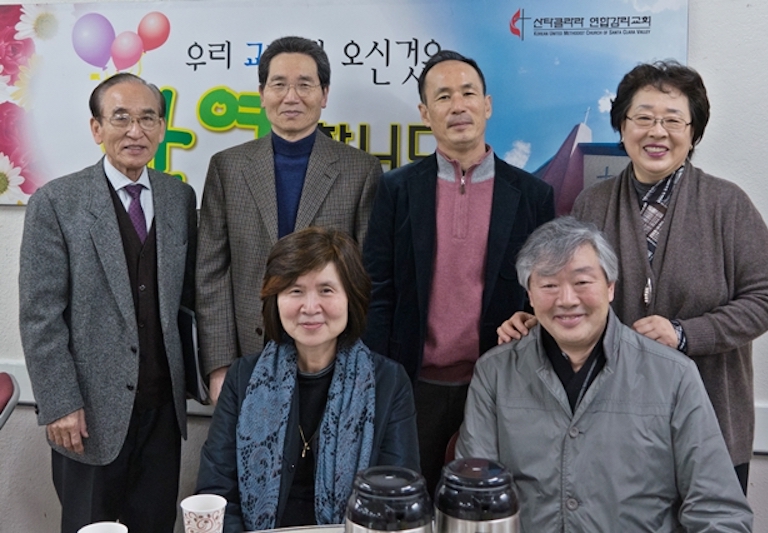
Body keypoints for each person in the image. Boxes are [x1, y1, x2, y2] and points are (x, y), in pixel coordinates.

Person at [497, 61, 768, 493]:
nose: (657, 132)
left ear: (693, 132)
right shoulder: (592, 204)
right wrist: (536, 321)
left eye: (673, 120)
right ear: (622, 126)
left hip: (710, 419)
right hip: (614, 427)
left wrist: (686, 334)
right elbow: (576, 296)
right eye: (644, 118)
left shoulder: (727, 205)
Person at [459, 217, 753, 532]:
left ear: (610, 287)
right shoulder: (495, 373)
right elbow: (474, 498)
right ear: (529, 295)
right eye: (549, 285)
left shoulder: (673, 376)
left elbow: (718, 511)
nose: (567, 300)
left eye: (582, 282)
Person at [361, 50, 555, 494]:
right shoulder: (396, 189)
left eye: (468, 93)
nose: (458, 106)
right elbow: (378, 289)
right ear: (425, 113)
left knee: (484, 505)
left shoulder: (532, 195)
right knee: (408, 500)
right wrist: (382, 379)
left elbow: (542, 293)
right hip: (413, 385)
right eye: (443, 96)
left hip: (499, 385)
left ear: (487, 105)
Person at [19, 73, 197, 533]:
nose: (135, 131)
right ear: (97, 128)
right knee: (89, 527)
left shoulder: (179, 198)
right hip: (86, 415)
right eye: (121, 118)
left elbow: (186, 300)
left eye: (148, 118)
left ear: (162, 128)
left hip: (161, 413)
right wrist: (59, 403)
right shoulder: (56, 202)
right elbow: (40, 316)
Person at [197, 36, 382, 403]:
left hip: (332, 355)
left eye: (304, 85)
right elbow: (211, 274)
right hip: (249, 353)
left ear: (324, 94)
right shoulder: (228, 167)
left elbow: (366, 277)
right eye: (279, 84)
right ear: (262, 93)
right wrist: (219, 366)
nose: (291, 97)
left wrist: (357, 362)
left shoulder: (360, 170)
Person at [195, 227, 419, 532]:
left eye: (326, 290)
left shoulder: (388, 382)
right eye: (295, 291)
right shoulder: (242, 378)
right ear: (275, 298)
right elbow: (216, 493)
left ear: (351, 297)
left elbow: (398, 501)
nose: (310, 308)